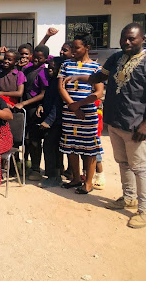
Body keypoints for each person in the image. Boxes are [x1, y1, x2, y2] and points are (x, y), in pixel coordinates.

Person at [64, 23, 146, 228]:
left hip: (137, 124)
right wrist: (81, 77)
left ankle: (143, 210)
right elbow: (99, 76)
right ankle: (129, 198)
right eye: (123, 38)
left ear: (142, 39)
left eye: (131, 38)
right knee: (123, 162)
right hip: (116, 120)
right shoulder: (116, 58)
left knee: (140, 168)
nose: (126, 42)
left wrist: (145, 124)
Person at [58, 24, 104, 194]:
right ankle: (76, 178)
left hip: (87, 114)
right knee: (71, 146)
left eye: (77, 48)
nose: (74, 50)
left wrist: (80, 105)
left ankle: (89, 182)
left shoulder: (96, 68)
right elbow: (61, 87)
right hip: (69, 113)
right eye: (72, 48)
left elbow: (99, 92)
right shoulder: (66, 65)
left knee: (89, 148)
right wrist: (72, 106)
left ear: (87, 48)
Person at [15, 45, 50, 180]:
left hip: (35, 109)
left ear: (45, 59)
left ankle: (35, 168)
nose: (35, 60)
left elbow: (43, 94)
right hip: (24, 109)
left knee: (35, 140)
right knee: (25, 138)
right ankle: (24, 164)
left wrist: (24, 103)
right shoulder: (27, 69)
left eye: (39, 58)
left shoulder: (43, 72)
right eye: (34, 57)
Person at [36, 59, 63, 188]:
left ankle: (54, 176)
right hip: (49, 118)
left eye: (53, 68)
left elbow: (57, 104)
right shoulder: (52, 81)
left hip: (56, 122)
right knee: (50, 147)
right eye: (49, 68)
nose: (50, 70)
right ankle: (52, 174)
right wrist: (41, 105)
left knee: (50, 148)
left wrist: (49, 121)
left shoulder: (60, 83)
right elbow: (48, 99)